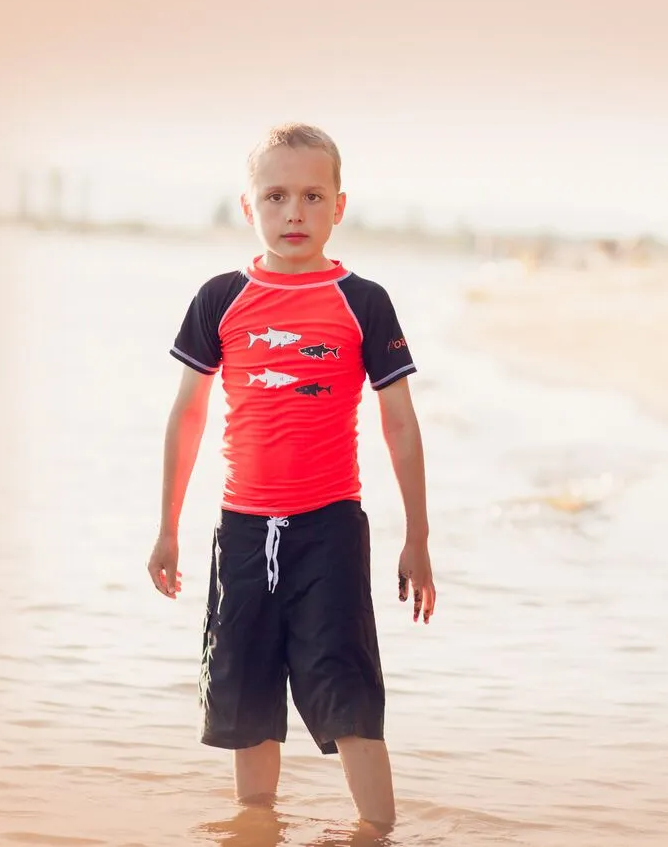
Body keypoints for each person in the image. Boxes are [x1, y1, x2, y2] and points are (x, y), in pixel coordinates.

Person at [144, 122, 436, 833]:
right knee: (244, 696)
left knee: (348, 688)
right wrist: (168, 528)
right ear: (249, 207)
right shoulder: (221, 298)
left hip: (330, 527)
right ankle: (257, 826)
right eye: (276, 196)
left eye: (312, 195)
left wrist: (418, 537)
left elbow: (400, 421)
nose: (294, 212)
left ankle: (378, 830)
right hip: (242, 529)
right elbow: (188, 415)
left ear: (339, 206)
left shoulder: (362, 301)